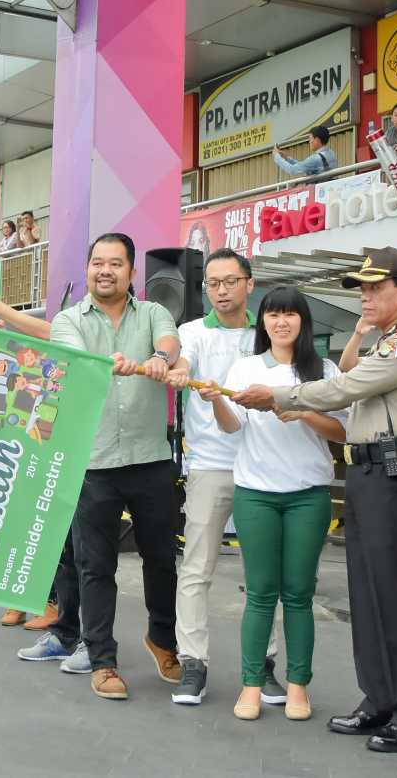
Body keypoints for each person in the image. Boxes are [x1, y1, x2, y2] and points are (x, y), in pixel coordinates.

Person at [232, 248, 397, 753]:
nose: (365, 297)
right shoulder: (384, 341)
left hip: (396, 471)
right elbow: (350, 367)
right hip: (368, 470)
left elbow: (345, 387)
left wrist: (282, 397)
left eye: (375, 289)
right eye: (361, 290)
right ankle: (380, 701)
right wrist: (362, 330)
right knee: (368, 596)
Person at [16, 233, 181, 701]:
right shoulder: (69, 319)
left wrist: (158, 358)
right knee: (95, 566)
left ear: (131, 272)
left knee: (162, 560)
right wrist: (99, 361)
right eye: (97, 263)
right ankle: (103, 659)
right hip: (93, 463)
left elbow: (169, 340)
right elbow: (75, 357)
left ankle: (163, 641)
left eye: (115, 263)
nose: (104, 271)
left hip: (150, 459)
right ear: (88, 270)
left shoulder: (152, 313)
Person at [200, 287, 346, 722]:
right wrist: (217, 403)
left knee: (298, 596)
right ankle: (251, 685)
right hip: (256, 495)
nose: (281, 322)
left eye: (290, 315)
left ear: (304, 321)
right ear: (262, 322)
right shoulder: (245, 368)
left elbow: (341, 432)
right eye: (272, 315)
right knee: (261, 596)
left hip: (308, 495)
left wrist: (299, 410)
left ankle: (299, 686)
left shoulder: (324, 370)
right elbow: (231, 428)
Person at [163, 249, 282, 708]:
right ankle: (193, 662)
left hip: (262, 465)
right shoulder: (191, 332)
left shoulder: (267, 333)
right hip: (210, 465)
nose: (221, 290)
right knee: (196, 567)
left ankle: (263, 665)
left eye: (230, 281)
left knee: (261, 573)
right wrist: (180, 372)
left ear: (250, 284)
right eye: (212, 283)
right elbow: (184, 361)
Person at [0, 287, 64, 630]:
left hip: (50, 460)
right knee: (11, 528)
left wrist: (1, 309)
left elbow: (47, 334)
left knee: (45, 535)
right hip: (13, 457)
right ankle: (16, 598)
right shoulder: (14, 375)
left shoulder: (55, 371)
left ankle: (49, 602)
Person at [272, 125, 339, 178]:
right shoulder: (331, 153)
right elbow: (304, 166)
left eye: (310, 139)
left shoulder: (316, 158)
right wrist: (286, 158)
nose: (309, 142)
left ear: (317, 140)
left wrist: (277, 157)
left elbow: (293, 170)